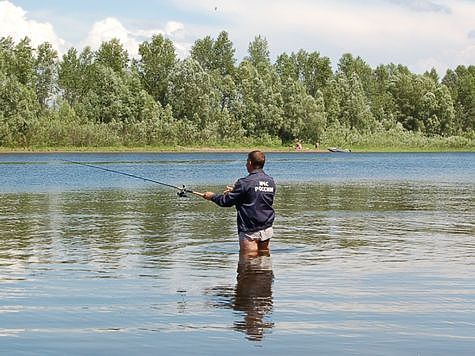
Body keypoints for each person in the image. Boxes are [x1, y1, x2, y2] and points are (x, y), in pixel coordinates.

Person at [203, 150, 276, 252]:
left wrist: (212, 196)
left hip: (249, 230)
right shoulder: (270, 181)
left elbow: (226, 202)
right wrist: (235, 191)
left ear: (250, 163)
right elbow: (258, 196)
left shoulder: (244, 182)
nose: (246, 164)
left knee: (248, 261)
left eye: (246, 162)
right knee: (264, 259)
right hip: (267, 228)